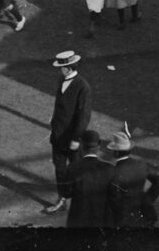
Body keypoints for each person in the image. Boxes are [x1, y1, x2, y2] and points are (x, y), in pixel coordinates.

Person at [42, 51, 92, 215]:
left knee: (77, 169)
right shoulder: (62, 80)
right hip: (58, 135)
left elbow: (84, 115)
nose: (59, 70)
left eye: (61, 67)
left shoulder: (82, 86)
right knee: (60, 168)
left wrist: (76, 138)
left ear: (68, 68)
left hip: (72, 138)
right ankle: (62, 199)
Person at [106, 126, 159, 228]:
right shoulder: (141, 165)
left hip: (124, 219)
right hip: (145, 213)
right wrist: (148, 199)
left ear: (116, 152)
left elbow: (113, 199)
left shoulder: (113, 172)